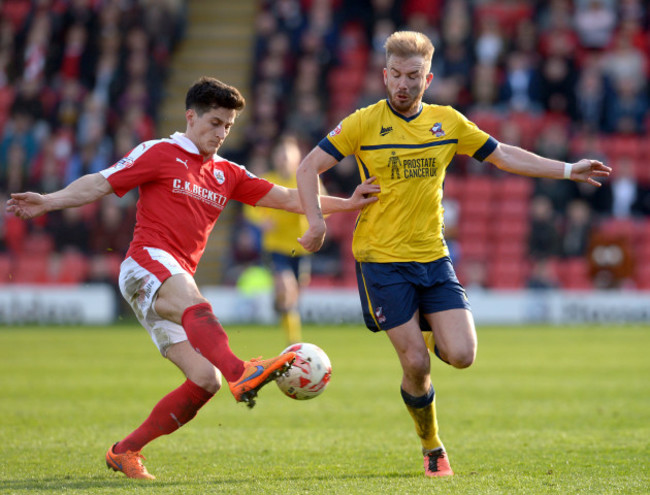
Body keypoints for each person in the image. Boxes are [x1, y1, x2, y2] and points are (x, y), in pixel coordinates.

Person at [6, 76, 379, 480]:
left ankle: (125, 451)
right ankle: (243, 371)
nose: (221, 133)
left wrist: (347, 203)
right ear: (191, 117)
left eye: (228, 127)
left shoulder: (228, 173)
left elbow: (289, 197)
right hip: (146, 263)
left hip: (174, 277)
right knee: (195, 304)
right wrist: (50, 200)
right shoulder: (161, 152)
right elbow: (101, 182)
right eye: (215, 123)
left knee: (205, 380)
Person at [296, 31, 611, 478]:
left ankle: (426, 332)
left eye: (414, 76)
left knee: (462, 355)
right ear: (385, 76)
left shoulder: (448, 122)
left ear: (428, 78)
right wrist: (316, 222)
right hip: (380, 260)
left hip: (433, 256)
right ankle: (432, 448)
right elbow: (308, 167)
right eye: (397, 76)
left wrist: (566, 170)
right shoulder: (363, 123)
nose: (403, 84)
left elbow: (502, 155)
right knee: (417, 365)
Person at [245, 134, 314, 344]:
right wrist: (261, 222)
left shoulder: (306, 179)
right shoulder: (267, 180)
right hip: (275, 246)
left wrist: (311, 219)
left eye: (288, 154)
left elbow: (324, 207)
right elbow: (250, 207)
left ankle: (281, 304)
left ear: (297, 157)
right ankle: (294, 344)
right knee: (287, 286)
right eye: (281, 154)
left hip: (300, 247)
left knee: (293, 295)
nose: (284, 158)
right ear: (275, 157)